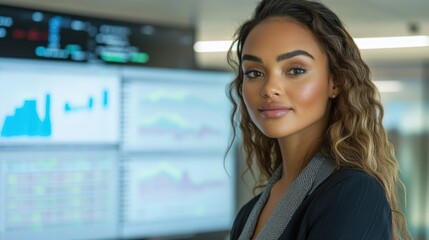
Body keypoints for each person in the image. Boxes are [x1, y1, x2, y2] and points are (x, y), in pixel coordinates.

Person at [225, 0, 412, 239]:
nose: (270, 88)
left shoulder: (353, 195)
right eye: (254, 73)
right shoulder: (247, 214)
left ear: (335, 82)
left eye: (295, 70)